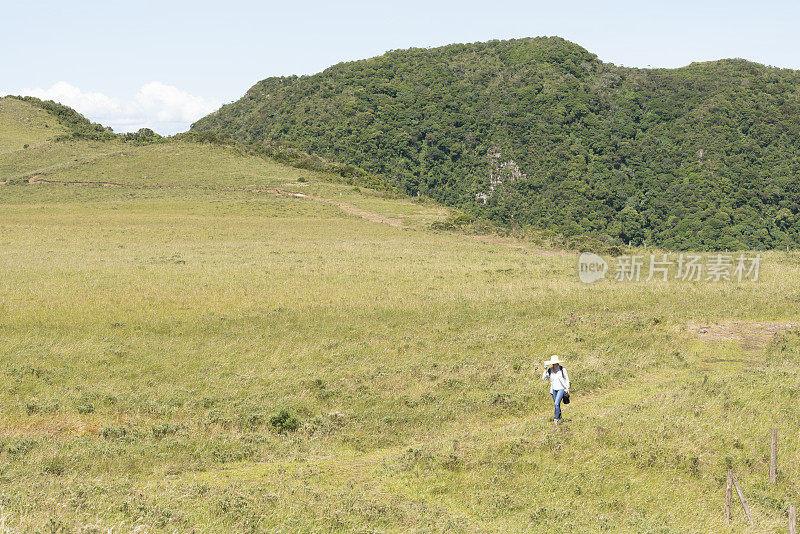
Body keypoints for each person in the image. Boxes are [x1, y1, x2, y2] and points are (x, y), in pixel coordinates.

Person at [541, 355, 569, 423]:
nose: (554, 364)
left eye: (555, 362)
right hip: (553, 389)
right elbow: (544, 378)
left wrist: (567, 388)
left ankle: (555, 419)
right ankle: (560, 418)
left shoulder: (562, 369)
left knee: (556, 404)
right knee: (557, 404)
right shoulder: (550, 370)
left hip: (561, 388)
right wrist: (545, 369)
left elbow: (567, 379)